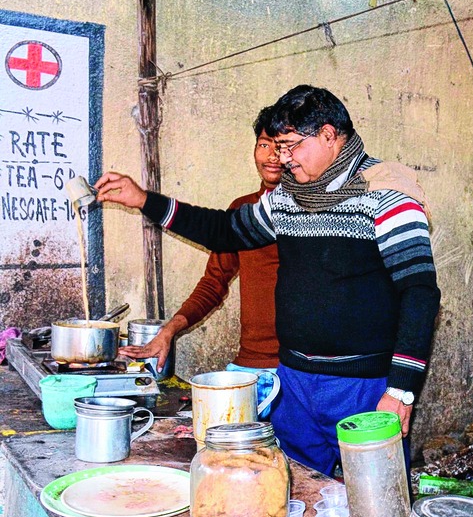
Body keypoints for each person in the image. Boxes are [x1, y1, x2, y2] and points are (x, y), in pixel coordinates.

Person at [96, 85, 440, 477]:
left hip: (363, 387)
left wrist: (400, 390)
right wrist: (145, 200)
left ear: (329, 135)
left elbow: (420, 292)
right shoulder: (288, 197)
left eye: (291, 146)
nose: (283, 159)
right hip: (293, 384)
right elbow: (225, 230)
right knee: (298, 492)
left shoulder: (387, 196)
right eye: (278, 147)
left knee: (375, 497)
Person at [120, 107, 282, 408]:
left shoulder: (309, 213)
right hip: (250, 366)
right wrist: (169, 330)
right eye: (264, 144)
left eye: (281, 146)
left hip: (296, 372)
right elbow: (214, 283)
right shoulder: (242, 211)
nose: (272, 155)